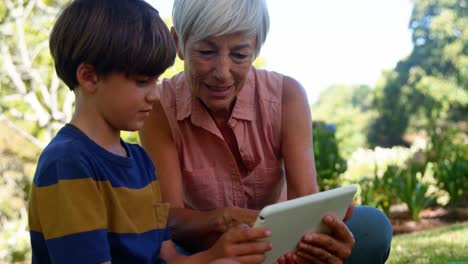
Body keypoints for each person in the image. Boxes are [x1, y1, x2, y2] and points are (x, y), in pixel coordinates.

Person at [139, 0, 393, 263]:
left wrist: (318, 241)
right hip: (205, 249)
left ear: (257, 46)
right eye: (205, 52)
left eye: (239, 55)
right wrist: (225, 218)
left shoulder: (287, 96)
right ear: (178, 43)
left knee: (373, 227)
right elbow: (169, 217)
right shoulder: (158, 107)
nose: (222, 73)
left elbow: (305, 203)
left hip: (282, 243)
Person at [27, 0, 273, 263]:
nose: (155, 96)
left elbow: (168, 258)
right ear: (89, 77)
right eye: (142, 82)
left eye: (156, 81)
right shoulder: (69, 163)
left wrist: (218, 255)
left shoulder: (140, 161)